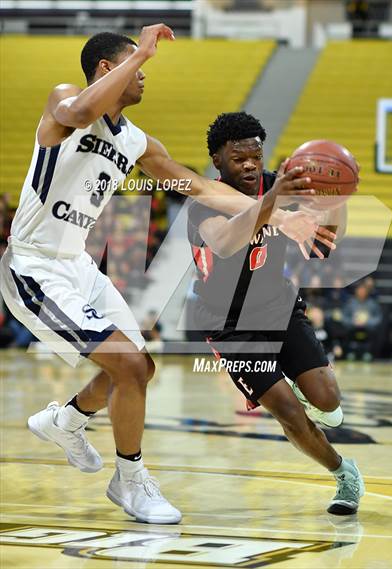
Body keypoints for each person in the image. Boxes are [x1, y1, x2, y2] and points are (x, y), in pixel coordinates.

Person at [0, 26, 327, 524]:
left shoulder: (135, 142)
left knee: (141, 369)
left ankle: (66, 420)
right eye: (137, 64)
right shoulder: (66, 100)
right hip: (35, 265)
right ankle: (130, 482)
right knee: (128, 367)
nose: (145, 73)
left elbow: (196, 186)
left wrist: (278, 214)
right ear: (109, 69)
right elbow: (81, 113)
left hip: (79, 265)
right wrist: (141, 50)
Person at [187, 112, 364, 515]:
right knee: (289, 413)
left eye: (256, 155)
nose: (250, 164)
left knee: (330, 405)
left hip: (279, 309)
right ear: (217, 161)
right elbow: (227, 243)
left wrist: (335, 198)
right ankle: (344, 475)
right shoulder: (204, 202)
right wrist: (273, 202)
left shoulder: (279, 183)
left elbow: (329, 238)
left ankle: (303, 383)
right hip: (230, 326)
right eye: (238, 158)